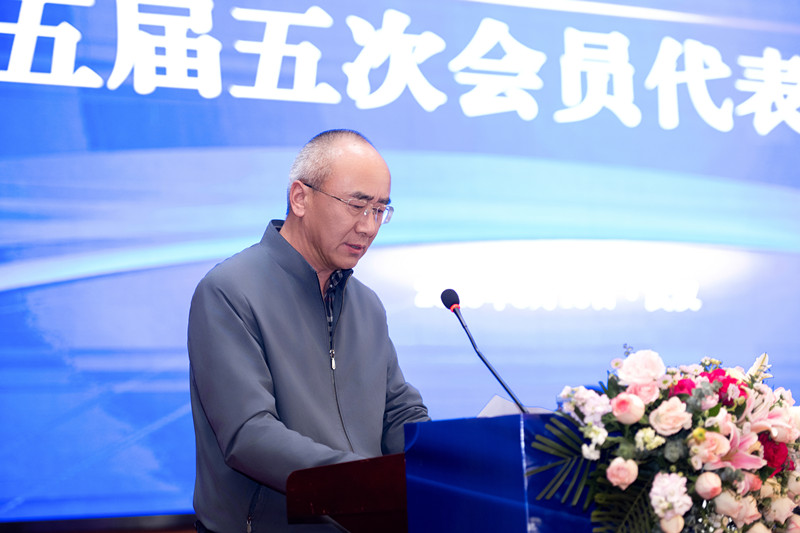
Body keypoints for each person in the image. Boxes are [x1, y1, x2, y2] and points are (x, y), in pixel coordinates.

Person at [187, 129, 430, 532]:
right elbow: (249, 435)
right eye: (357, 205)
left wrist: (451, 462)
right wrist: (364, 483)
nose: (369, 227)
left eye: (380, 210)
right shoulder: (229, 291)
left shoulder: (366, 305)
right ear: (300, 198)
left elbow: (398, 413)